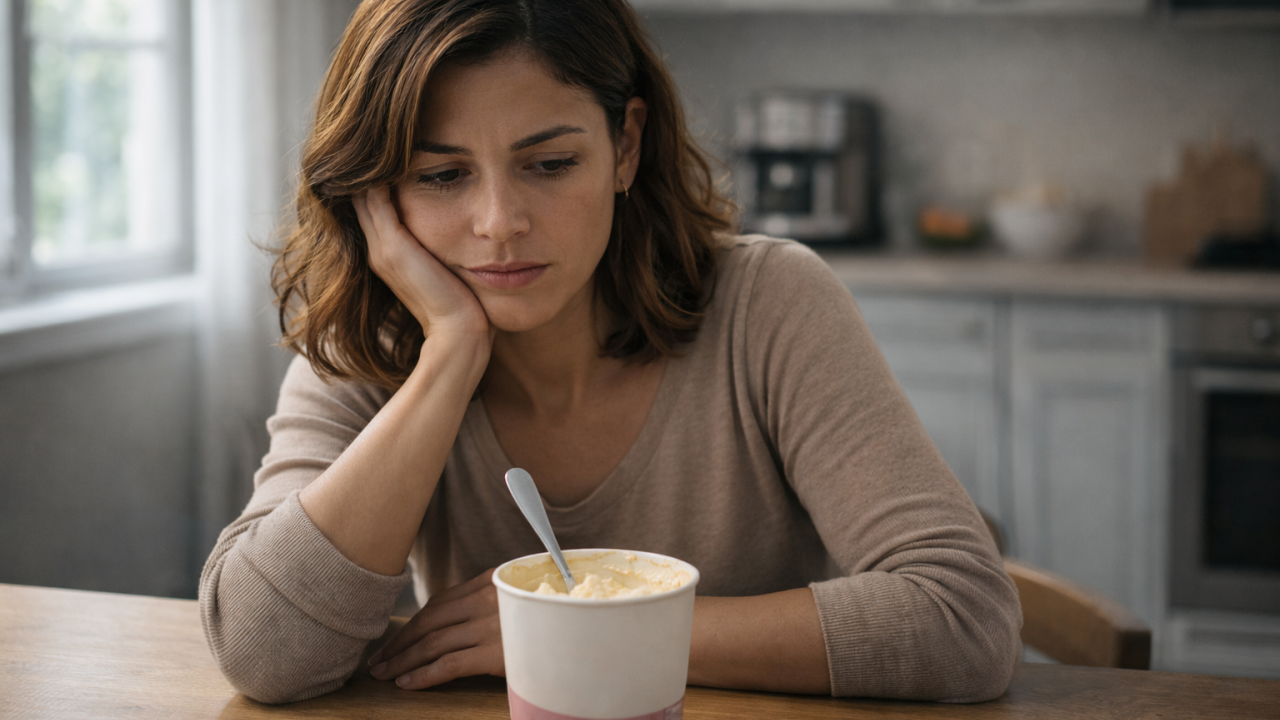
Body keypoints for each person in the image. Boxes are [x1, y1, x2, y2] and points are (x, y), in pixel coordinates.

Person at [198, 0, 1021, 706]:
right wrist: (451, 353)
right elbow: (263, 654)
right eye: (441, 177)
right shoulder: (374, 344)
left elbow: (964, 618)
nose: (499, 222)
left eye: (550, 164)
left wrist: (593, 624)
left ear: (625, 146)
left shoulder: (769, 303)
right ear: (377, 193)